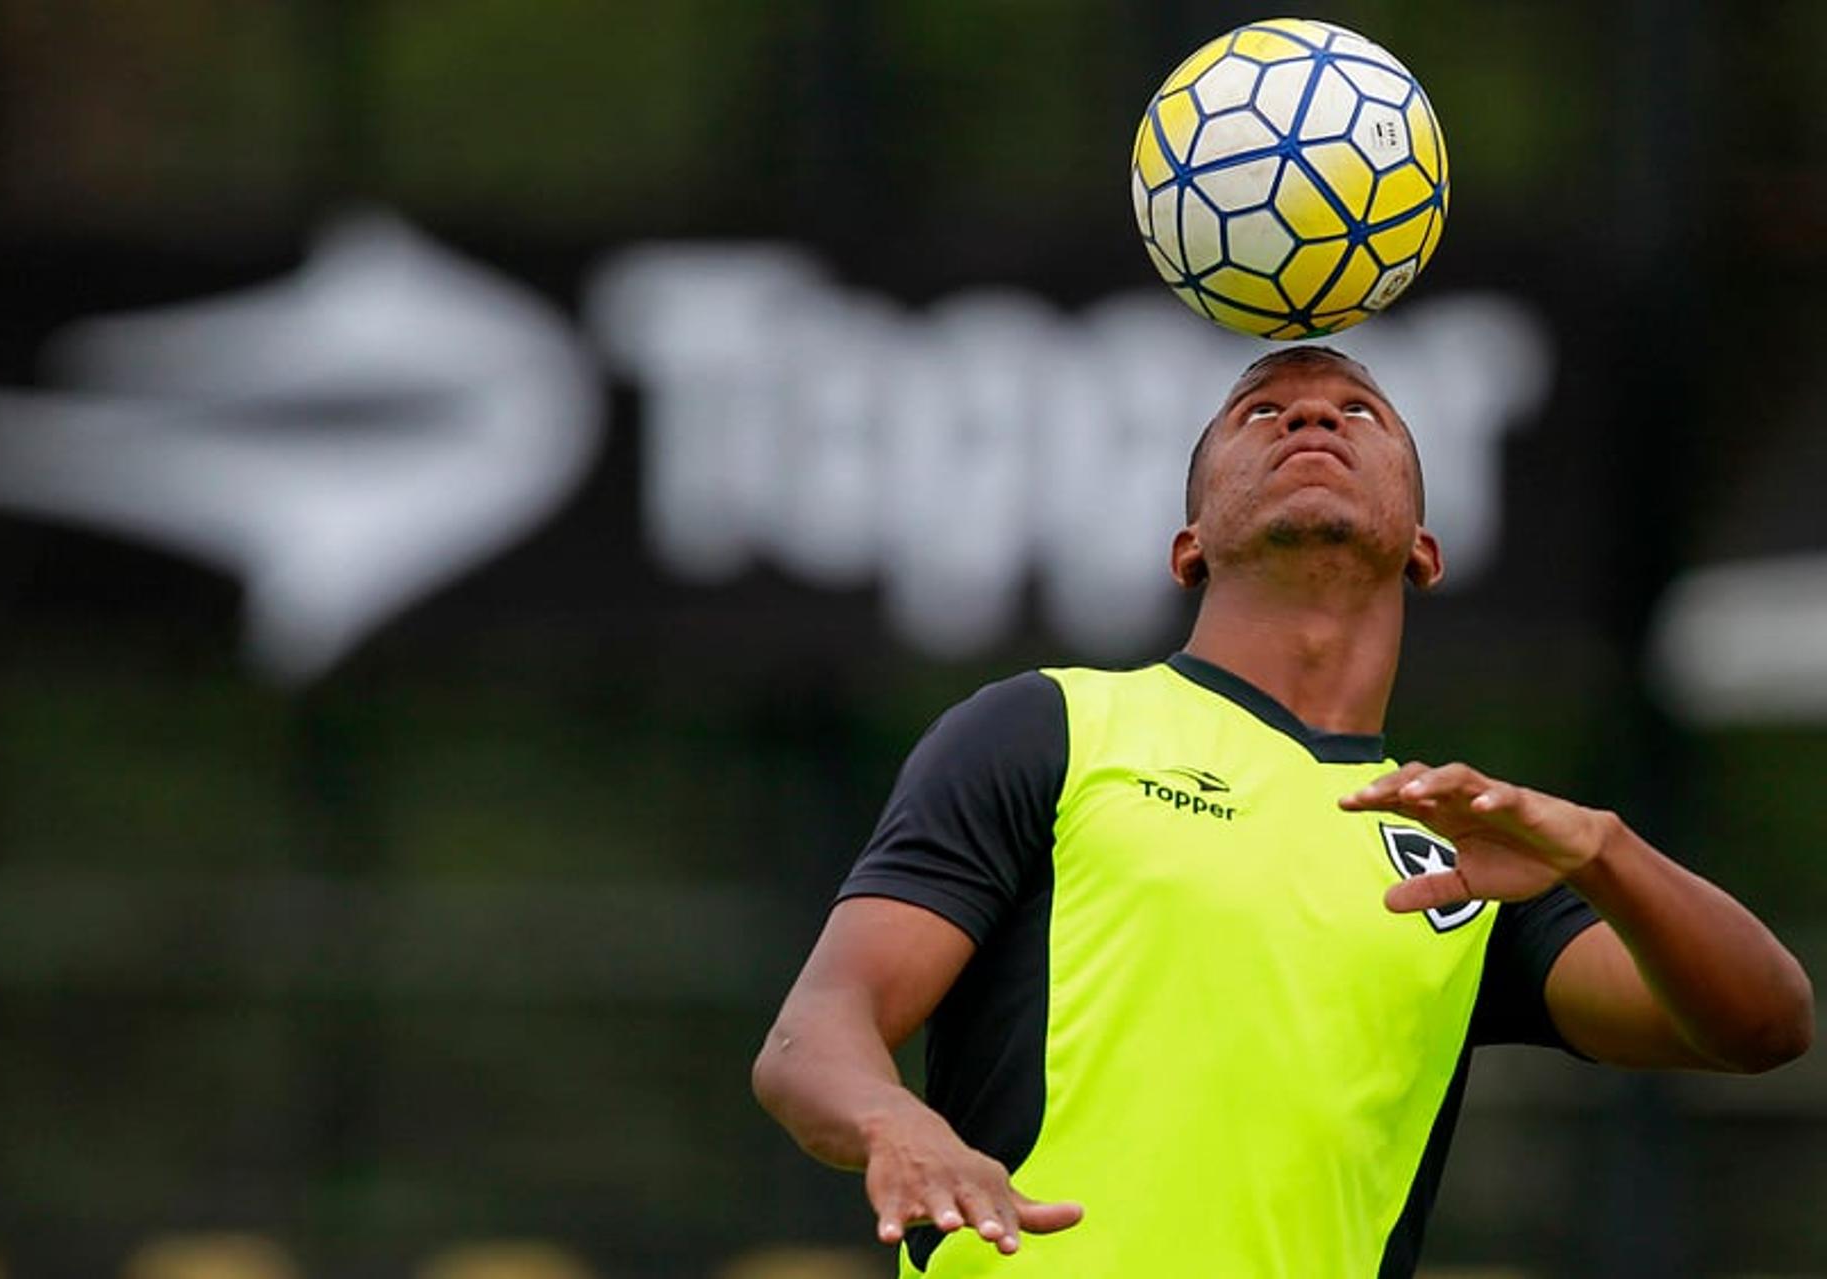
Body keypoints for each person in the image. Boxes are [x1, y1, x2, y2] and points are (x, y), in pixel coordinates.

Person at [750, 345, 1815, 1277]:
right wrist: (896, 1122)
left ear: (1424, 549)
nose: (1312, 417)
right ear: (1191, 544)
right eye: (1261, 413)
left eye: (1361, 413)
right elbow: (811, 1036)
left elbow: (1765, 1026)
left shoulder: (1468, 851)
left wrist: (1606, 852)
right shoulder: (1054, 727)